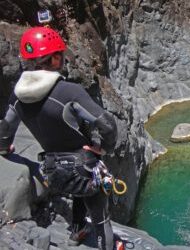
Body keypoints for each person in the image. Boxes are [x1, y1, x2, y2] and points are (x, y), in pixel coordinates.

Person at [0, 26, 117, 250]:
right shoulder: (69, 92)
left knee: (78, 191)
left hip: (53, 171)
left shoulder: (17, 94)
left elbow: (5, 130)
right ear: (54, 60)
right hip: (83, 168)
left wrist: (5, 149)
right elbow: (108, 125)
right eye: (60, 56)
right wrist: (103, 149)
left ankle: (77, 232)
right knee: (101, 219)